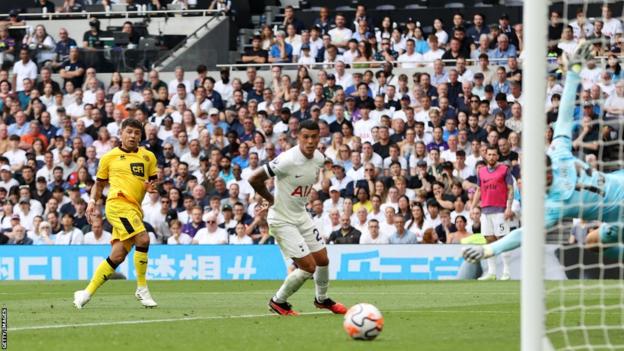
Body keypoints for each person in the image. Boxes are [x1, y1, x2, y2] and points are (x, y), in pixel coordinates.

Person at [464, 43, 624, 268]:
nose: (546, 177)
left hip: (620, 182)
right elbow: (523, 234)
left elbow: (566, 112)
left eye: (547, 172)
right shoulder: (552, 206)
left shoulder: (559, 152)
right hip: (617, 218)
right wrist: (489, 249)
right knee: (593, 244)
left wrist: (575, 71)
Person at [248, 119, 347, 316]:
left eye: (314, 137)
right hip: (282, 220)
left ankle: (322, 299)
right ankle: (278, 301)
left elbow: (321, 167)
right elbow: (254, 178)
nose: (310, 141)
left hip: (301, 215)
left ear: (319, 137)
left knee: (323, 259)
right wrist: (269, 199)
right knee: (308, 267)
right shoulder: (287, 160)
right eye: (305, 137)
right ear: (298, 137)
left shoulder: (318, 158)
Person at [73, 118, 159, 309]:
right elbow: (99, 184)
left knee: (118, 256)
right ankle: (142, 288)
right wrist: (92, 202)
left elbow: (152, 181)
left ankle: (85, 293)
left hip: (135, 209)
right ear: (121, 133)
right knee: (143, 239)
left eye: (137, 133)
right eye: (129, 131)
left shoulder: (148, 157)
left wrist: (151, 187)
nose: (133, 136)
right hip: (117, 205)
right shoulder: (109, 157)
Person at [470, 144, 513, 280]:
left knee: (502, 239)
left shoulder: (504, 169)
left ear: (498, 156)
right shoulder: (481, 171)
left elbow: (510, 189)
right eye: (489, 154)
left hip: (500, 209)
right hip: (485, 210)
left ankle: (506, 272)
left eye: (494, 154)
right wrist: (472, 206)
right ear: (485, 155)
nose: (492, 156)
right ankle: (492, 272)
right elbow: (478, 190)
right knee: (489, 240)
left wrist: (509, 207)